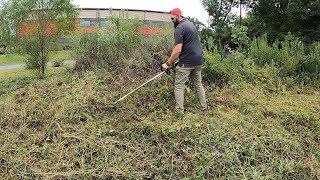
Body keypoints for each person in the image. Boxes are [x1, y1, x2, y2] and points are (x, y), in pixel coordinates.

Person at [161, 8, 208, 112]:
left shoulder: (179, 28)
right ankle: (204, 107)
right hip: (198, 60)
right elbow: (190, 44)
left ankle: (179, 111)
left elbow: (178, 49)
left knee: (178, 86)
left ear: (177, 16)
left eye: (172, 18)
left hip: (187, 62)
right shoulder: (191, 24)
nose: (172, 20)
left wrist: (167, 63)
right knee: (198, 85)